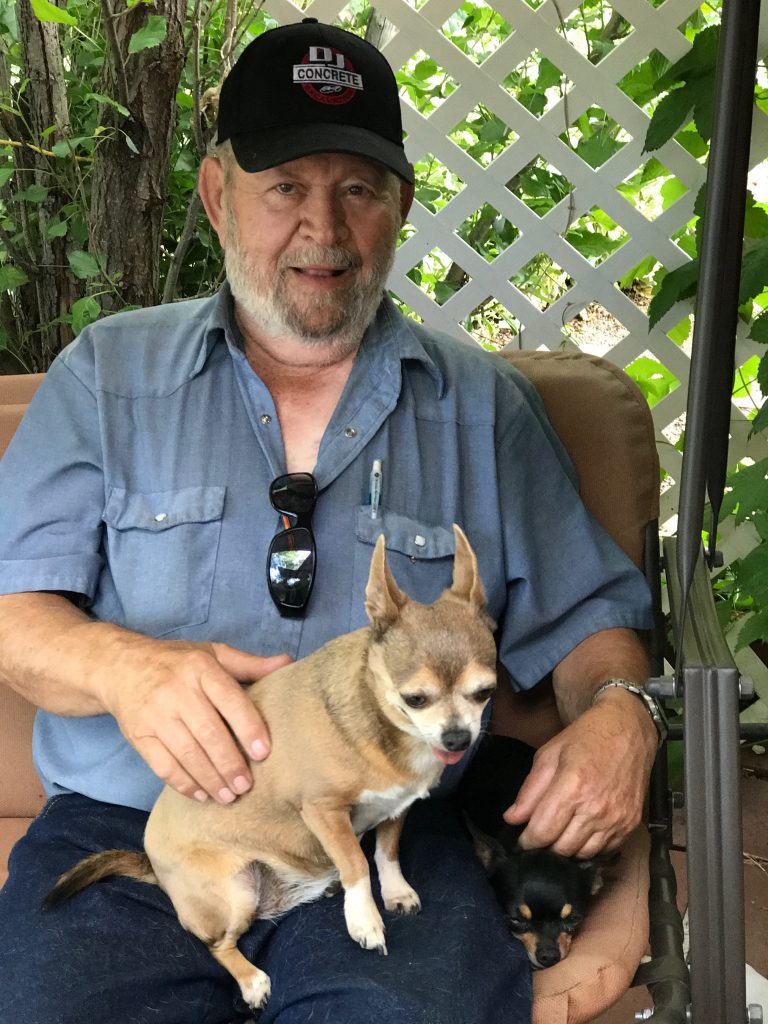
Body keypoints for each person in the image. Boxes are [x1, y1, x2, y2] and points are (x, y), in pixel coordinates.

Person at [0, 18, 658, 1024]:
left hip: (392, 825)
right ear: (217, 195)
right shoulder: (106, 378)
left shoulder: (484, 409)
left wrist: (623, 711)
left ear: (400, 207)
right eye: (284, 187)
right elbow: (14, 614)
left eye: (357, 188)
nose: (324, 227)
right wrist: (125, 669)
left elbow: (592, 625)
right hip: (141, 829)